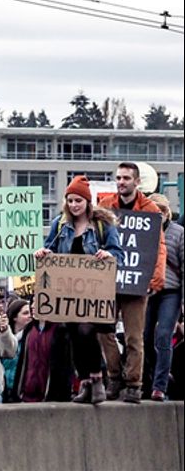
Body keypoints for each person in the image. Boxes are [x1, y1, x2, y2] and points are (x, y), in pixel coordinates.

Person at [34, 175, 124, 404]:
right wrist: (44, 253)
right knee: (71, 333)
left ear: (87, 201)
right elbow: (50, 248)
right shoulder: (60, 224)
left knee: (86, 331)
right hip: (67, 292)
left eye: (78, 201)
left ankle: (97, 379)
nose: (74, 205)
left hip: (94, 292)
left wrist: (109, 254)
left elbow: (119, 254)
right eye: (70, 200)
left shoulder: (103, 225)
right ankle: (84, 382)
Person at [97, 162, 167, 404]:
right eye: (118, 177)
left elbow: (158, 247)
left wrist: (155, 279)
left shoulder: (149, 209)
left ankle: (134, 384)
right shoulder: (105, 206)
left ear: (137, 182)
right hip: (109, 282)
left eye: (126, 178)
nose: (121, 182)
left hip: (136, 282)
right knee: (104, 329)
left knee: (134, 337)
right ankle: (115, 376)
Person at [143, 194, 183, 401]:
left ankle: (159, 386)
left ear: (166, 213)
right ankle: (159, 370)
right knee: (145, 337)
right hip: (149, 291)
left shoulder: (179, 233)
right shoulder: (143, 232)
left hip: (172, 291)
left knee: (164, 335)